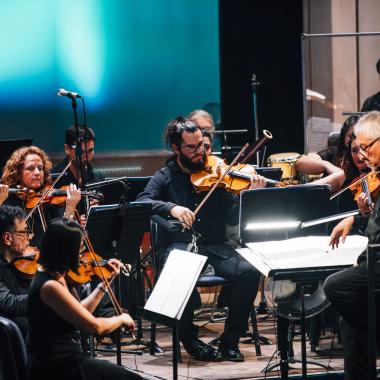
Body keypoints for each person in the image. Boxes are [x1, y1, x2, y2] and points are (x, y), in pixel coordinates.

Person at [137, 116, 264, 362]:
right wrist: (172, 208)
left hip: (214, 245)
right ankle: (190, 340)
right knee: (178, 271)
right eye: (192, 148)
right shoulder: (165, 176)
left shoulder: (218, 174)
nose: (200, 153)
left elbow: (231, 215)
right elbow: (143, 201)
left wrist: (247, 196)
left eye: (203, 146)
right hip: (180, 245)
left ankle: (230, 341)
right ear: (176, 148)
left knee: (249, 271)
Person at [27, 218, 141, 380]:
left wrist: (105, 283)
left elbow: (80, 311)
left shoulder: (58, 275)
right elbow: (95, 327)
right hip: (55, 366)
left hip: (69, 358)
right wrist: (121, 319)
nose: (80, 254)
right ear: (65, 250)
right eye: (78, 248)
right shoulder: (49, 286)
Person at [323, 111, 380, 379]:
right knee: (350, 323)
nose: (363, 155)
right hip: (372, 258)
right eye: (357, 149)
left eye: (367, 147)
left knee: (336, 285)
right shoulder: (374, 176)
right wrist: (361, 215)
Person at [1, 146, 81, 246]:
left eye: (40, 168)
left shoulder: (50, 201)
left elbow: (64, 238)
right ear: (17, 173)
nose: (37, 173)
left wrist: (70, 208)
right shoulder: (7, 200)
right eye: (30, 168)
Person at [0, 205, 32, 338]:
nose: (29, 237)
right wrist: (45, 295)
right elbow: (9, 303)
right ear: (7, 238)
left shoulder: (17, 265)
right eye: (24, 232)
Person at [52, 124, 105, 189]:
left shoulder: (99, 177)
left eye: (90, 151)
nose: (86, 156)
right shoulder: (53, 177)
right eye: (81, 151)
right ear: (67, 149)